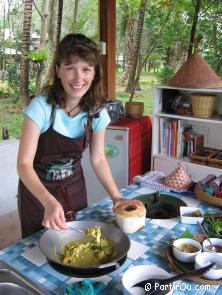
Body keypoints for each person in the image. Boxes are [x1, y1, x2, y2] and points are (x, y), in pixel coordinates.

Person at [17, 33, 144, 238]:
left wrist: (116, 197)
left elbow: (99, 157)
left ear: (94, 73)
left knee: (76, 243)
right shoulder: (40, 108)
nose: (78, 78)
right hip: (38, 195)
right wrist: (48, 201)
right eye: (70, 68)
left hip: (74, 190)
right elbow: (23, 164)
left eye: (86, 69)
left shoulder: (96, 111)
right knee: (37, 252)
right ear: (58, 70)